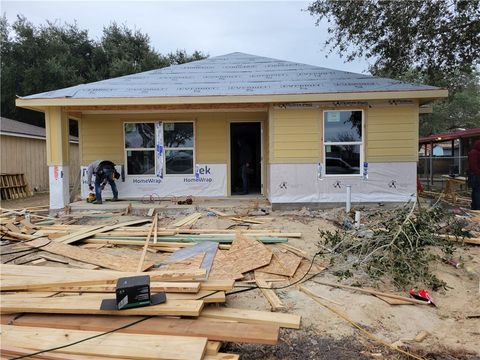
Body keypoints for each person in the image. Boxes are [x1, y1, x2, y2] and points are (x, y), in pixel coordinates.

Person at [468, 140, 480, 210]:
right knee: (477, 191)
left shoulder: (475, 152)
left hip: (475, 175)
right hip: (476, 175)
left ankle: (474, 206)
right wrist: (478, 172)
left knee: (475, 191)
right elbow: (473, 166)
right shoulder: (474, 153)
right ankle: (478, 207)